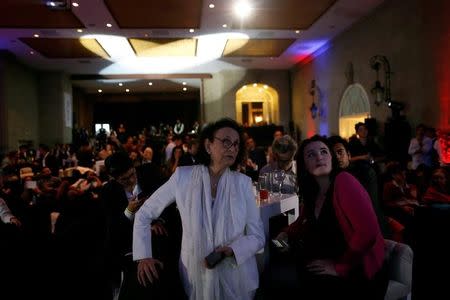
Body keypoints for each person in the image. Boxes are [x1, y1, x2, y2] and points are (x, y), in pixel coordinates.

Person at [133, 118, 265, 299]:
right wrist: (144, 255)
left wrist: (231, 250)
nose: (232, 148)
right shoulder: (183, 177)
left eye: (236, 144)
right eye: (226, 141)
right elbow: (144, 213)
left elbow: (257, 236)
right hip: (195, 271)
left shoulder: (243, 183)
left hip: (235, 274)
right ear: (208, 145)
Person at [275, 135, 386, 299]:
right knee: (275, 273)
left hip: (357, 270)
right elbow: (301, 222)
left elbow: (368, 231)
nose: (319, 157)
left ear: (331, 158)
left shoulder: (344, 181)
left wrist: (340, 267)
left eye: (323, 151)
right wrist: (285, 233)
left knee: (284, 281)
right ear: (304, 165)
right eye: (311, 154)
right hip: (325, 262)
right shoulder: (314, 192)